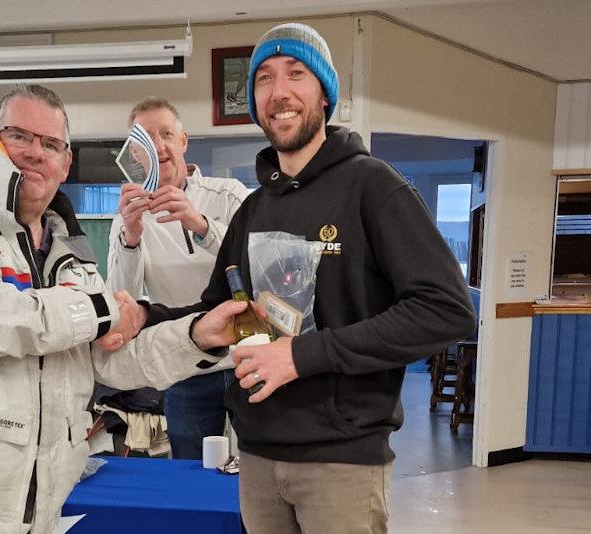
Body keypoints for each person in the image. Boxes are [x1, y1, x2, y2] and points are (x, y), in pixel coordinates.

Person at [0, 84, 245, 534]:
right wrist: (107, 309)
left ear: (65, 163)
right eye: (19, 136)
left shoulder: (71, 253)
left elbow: (110, 358)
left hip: (37, 510)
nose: (35, 153)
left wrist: (198, 335)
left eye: (50, 144)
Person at [148, 23, 476, 533]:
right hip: (255, 454)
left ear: (324, 94)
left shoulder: (374, 188)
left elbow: (446, 310)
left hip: (341, 461)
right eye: (264, 79)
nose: (279, 92)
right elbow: (214, 312)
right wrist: (146, 317)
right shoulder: (253, 208)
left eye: (296, 74)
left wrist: (301, 356)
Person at [106, 97, 249, 459]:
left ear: (184, 141)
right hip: (184, 363)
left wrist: (200, 225)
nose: (158, 147)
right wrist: (132, 236)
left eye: (166, 134)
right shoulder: (126, 216)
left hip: (246, 357)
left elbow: (256, 267)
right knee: (190, 468)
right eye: (145, 141)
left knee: (258, 467)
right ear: (133, 154)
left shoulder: (229, 195)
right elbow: (120, 295)